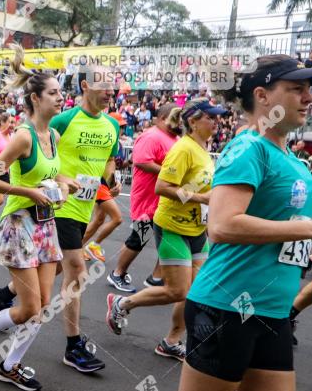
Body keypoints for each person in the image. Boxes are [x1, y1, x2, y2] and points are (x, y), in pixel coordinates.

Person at [180, 55, 312, 391]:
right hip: (226, 307)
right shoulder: (248, 148)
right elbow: (223, 225)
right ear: (263, 95)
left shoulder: (291, 160)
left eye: (308, 89)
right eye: (296, 88)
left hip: (273, 311)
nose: (308, 97)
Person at [0, 66, 119, 373]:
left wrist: (110, 178)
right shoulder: (63, 119)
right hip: (57, 209)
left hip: (81, 206)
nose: (111, 91)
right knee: (77, 270)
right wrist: (36, 189)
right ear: (86, 86)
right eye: (104, 85)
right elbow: (37, 145)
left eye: (114, 86)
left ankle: (2, 295)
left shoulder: (112, 125)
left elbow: (108, 160)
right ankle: (73, 346)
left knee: (53, 275)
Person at [0, 57, 79, 391]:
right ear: (36, 98)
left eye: (61, 92)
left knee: (41, 307)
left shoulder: (52, 134)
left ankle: (9, 366)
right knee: (28, 307)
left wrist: (68, 184)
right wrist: (28, 191)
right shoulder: (23, 137)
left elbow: (51, 175)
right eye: (53, 93)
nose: (60, 97)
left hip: (45, 224)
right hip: (19, 224)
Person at [106, 97, 226, 361]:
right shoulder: (183, 149)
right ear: (193, 121)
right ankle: (122, 303)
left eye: (218, 117)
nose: (217, 122)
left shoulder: (202, 147)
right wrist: (201, 198)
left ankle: (171, 341)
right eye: (211, 117)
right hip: (172, 226)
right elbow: (162, 188)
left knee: (198, 289)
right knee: (177, 291)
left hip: (197, 229)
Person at [107, 103, 180, 293]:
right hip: (148, 199)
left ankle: (157, 278)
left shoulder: (175, 138)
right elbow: (141, 161)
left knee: (168, 240)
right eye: (176, 117)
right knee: (139, 237)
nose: (180, 121)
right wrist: (170, 173)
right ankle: (117, 273)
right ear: (163, 118)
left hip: (164, 201)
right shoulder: (151, 136)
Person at [80, 112, 127, 262]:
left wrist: (115, 182)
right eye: (120, 126)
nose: (121, 129)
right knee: (117, 218)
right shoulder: (102, 140)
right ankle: (91, 246)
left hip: (106, 183)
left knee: (99, 219)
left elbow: (116, 165)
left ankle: (79, 248)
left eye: (123, 127)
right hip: (97, 182)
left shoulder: (118, 144)